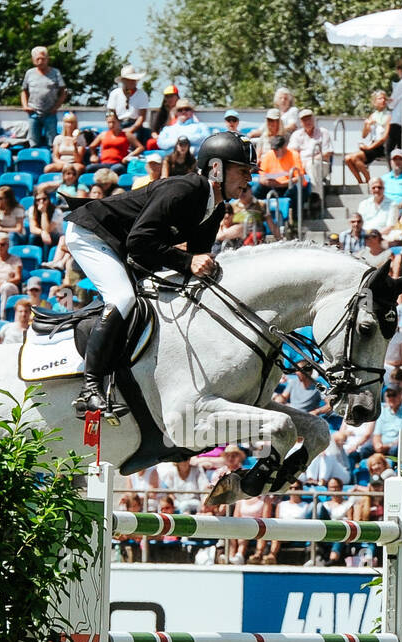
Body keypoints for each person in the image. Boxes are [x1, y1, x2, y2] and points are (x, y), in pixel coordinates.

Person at [63, 130, 254, 418]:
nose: (248, 180)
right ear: (216, 168)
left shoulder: (216, 209)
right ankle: (89, 388)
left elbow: (194, 261)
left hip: (125, 244)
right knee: (123, 296)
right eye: (243, 171)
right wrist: (187, 262)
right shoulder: (183, 189)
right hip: (92, 234)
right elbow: (140, 243)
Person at [22, 46, 67, 148]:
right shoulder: (29, 73)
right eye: (38, 59)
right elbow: (23, 91)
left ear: (47, 59)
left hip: (50, 113)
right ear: (33, 60)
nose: (40, 61)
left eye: (43, 58)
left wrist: (56, 107)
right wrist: (25, 106)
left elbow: (63, 92)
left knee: (53, 143)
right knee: (33, 143)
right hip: (33, 113)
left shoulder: (55, 73)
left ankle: (52, 162)